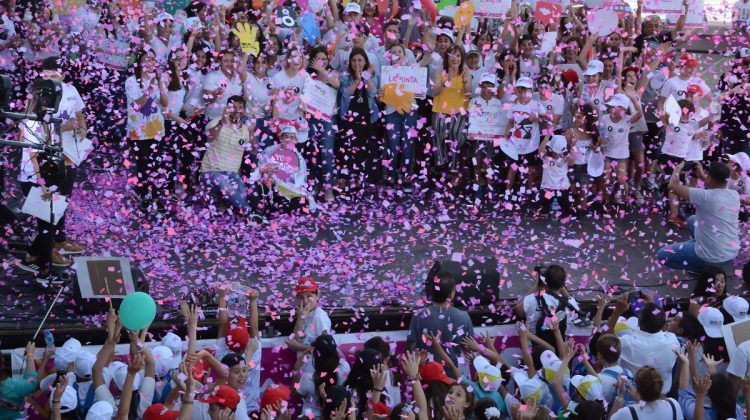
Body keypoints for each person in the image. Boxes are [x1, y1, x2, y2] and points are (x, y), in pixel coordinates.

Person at [657, 162, 740, 272]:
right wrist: (702, 175)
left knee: (662, 255)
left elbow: (672, 185)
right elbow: (714, 184)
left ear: (710, 178)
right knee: (692, 220)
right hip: (730, 253)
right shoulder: (734, 195)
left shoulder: (704, 196)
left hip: (711, 258)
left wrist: (678, 168)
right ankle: (703, 256)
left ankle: (703, 269)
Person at [200, 95, 262, 219]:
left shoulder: (246, 129)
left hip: (232, 174)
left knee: (242, 194)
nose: (237, 110)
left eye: (240, 107)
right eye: (233, 106)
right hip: (210, 172)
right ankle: (250, 213)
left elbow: (254, 150)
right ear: (227, 108)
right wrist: (222, 122)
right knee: (224, 183)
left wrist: (251, 131)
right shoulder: (216, 121)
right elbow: (209, 138)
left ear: (244, 110)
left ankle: (225, 204)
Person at [607, 294, 679, 394]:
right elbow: (662, 326)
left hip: (631, 399)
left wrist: (617, 311)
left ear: (639, 322)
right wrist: (654, 307)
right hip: (661, 399)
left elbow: (605, 339)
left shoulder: (626, 343)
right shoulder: (673, 342)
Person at [406, 271, 474, 369]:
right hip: (453, 375)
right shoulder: (464, 317)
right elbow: (469, 347)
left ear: (432, 291)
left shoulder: (418, 317)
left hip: (426, 376)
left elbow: (410, 348)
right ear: (452, 293)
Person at [516, 264, 579, 349]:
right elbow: (576, 308)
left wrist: (538, 286)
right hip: (559, 351)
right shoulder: (571, 304)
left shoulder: (531, 299)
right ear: (563, 284)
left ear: (545, 280)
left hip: (534, 352)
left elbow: (518, 311)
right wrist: (562, 287)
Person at [609, 366, 685, 420]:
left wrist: (621, 395)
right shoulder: (674, 405)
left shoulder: (627, 413)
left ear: (638, 389)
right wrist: (639, 400)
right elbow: (651, 408)